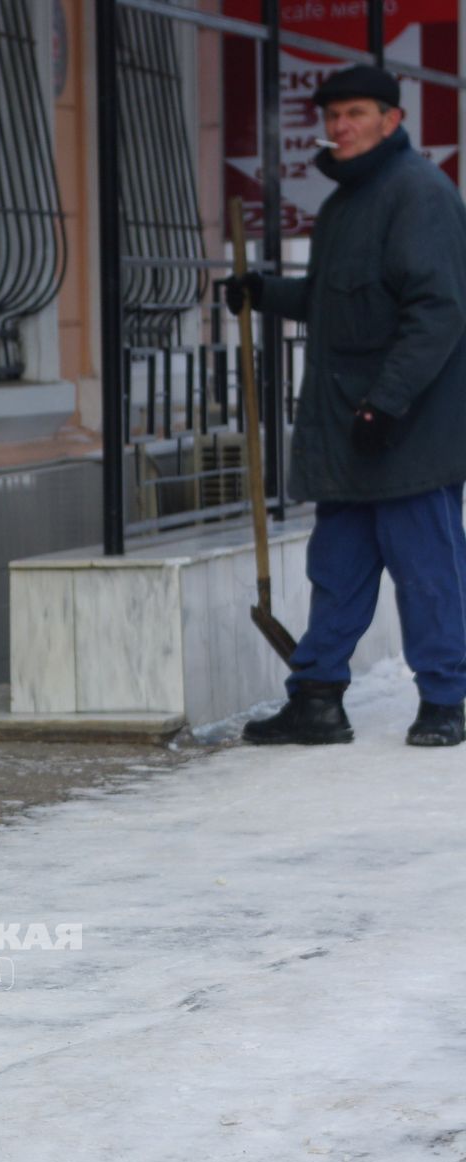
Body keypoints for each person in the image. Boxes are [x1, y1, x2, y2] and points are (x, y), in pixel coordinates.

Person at [225, 63, 466, 748]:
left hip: (407, 436)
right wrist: (264, 291)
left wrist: (386, 405)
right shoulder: (345, 206)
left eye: (355, 113)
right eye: (332, 116)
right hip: (351, 435)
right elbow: (338, 303)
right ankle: (318, 698)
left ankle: (448, 697)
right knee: (336, 571)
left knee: (427, 575)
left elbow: (439, 312)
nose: (340, 127)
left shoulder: (418, 194)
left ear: (393, 120)